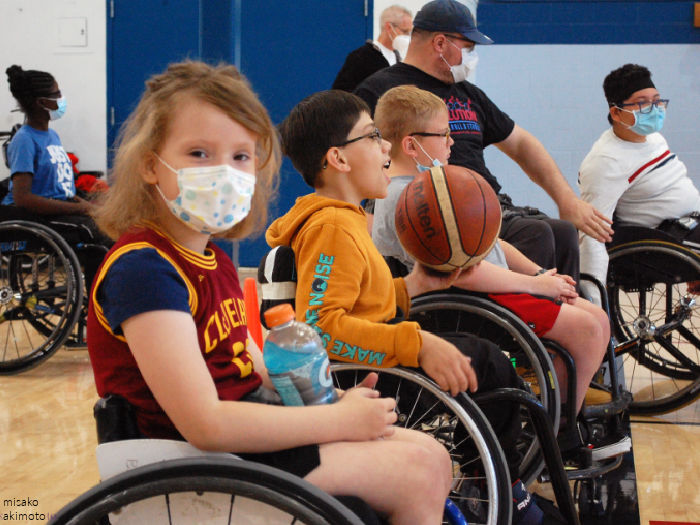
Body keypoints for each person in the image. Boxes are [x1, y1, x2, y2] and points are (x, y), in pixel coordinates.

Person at [86, 61, 454, 525]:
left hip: (239, 445)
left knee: (432, 453)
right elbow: (205, 422)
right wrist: (334, 423)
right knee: (416, 472)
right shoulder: (143, 268)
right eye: (199, 153)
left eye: (241, 156)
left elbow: (251, 368)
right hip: (189, 462)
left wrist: (326, 400)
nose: (224, 171)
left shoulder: (213, 258)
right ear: (149, 164)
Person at [267, 89, 548, 525]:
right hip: (357, 376)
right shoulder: (332, 227)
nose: (385, 147)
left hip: (373, 359)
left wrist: (414, 285)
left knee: (482, 357)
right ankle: (494, 483)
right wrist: (415, 344)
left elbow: (365, 301)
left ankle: (491, 477)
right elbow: (321, 329)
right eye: (372, 137)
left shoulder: (347, 216)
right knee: (488, 364)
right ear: (339, 159)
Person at [372, 85, 611, 422]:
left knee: (598, 319)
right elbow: (463, 273)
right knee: (586, 331)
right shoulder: (408, 199)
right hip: (470, 299)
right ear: (411, 144)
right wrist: (532, 286)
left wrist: (538, 273)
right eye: (443, 134)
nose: (451, 142)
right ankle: (556, 437)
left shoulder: (438, 185)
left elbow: (493, 241)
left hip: (492, 291)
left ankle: (555, 415)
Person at [354, 0, 615, 283]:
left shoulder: (469, 94)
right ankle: (522, 314)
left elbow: (521, 144)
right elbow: (346, 157)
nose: (471, 56)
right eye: (468, 47)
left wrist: (567, 200)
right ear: (440, 43)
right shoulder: (379, 90)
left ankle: (560, 312)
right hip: (439, 214)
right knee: (536, 234)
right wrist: (363, 217)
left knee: (562, 232)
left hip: (486, 206)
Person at [578, 63, 700, 302]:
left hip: (690, 231)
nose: (655, 109)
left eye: (657, 100)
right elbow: (591, 236)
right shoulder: (605, 161)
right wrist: (595, 306)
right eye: (642, 102)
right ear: (616, 112)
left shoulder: (652, 138)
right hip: (664, 240)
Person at [3, 65, 110, 292]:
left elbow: (59, 185)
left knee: (113, 221)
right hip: (33, 215)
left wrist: (82, 202)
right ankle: (97, 303)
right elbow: (23, 199)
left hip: (60, 208)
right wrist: (79, 210)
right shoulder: (24, 140)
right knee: (94, 233)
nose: (62, 99)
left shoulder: (52, 136)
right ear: (41, 102)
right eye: (57, 94)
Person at [331, 5, 412, 93]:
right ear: (389, 27)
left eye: (410, 32)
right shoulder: (360, 57)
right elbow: (340, 93)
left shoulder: (398, 59)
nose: (408, 36)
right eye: (405, 31)